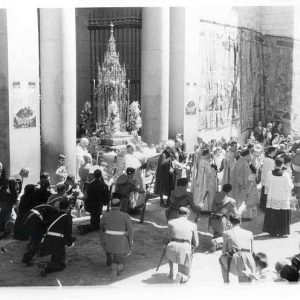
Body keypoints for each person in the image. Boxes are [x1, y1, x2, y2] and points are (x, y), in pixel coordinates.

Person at [100, 194, 133, 280]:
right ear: (120, 206)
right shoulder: (125, 216)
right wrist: (130, 243)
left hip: (107, 243)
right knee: (121, 262)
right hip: (120, 243)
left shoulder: (105, 216)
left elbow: (101, 231)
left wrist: (102, 243)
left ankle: (109, 259)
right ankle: (117, 267)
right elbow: (130, 231)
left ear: (111, 206)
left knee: (108, 240)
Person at [39, 199, 75, 276]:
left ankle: (49, 265)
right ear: (67, 208)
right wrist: (69, 243)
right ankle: (46, 266)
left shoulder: (54, 215)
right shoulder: (68, 217)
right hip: (57, 240)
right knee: (61, 265)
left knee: (56, 257)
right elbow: (68, 232)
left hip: (48, 238)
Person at [166, 206, 199, 283]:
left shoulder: (170, 222)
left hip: (172, 249)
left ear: (178, 214)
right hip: (185, 249)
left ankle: (171, 272)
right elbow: (196, 244)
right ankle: (182, 276)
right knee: (186, 276)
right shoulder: (193, 225)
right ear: (188, 214)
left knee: (169, 245)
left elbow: (168, 238)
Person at [219, 214, 256, 283]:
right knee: (245, 282)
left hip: (237, 260)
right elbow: (252, 251)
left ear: (229, 222)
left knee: (221, 258)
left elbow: (223, 252)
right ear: (240, 222)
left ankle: (226, 282)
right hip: (249, 260)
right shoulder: (250, 233)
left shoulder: (226, 233)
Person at [263, 158, 294, 237]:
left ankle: (272, 231)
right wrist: (292, 182)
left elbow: (267, 185)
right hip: (282, 198)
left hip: (272, 197)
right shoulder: (285, 174)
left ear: (275, 164)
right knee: (281, 214)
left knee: (273, 213)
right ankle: (281, 231)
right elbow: (289, 187)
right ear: (282, 164)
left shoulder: (270, 173)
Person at [77, 169, 110, 234]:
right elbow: (106, 197)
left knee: (93, 218)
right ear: (101, 176)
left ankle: (86, 226)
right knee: (96, 226)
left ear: (94, 176)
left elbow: (86, 194)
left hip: (90, 204)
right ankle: (83, 227)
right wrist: (106, 203)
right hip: (97, 205)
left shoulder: (89, 185)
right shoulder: (104, 186)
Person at [231, 149, 259, 220]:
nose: (250, 156)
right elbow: (247, 176)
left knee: (238, 199)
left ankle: (235, 214)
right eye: (250, 155)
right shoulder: (244, 163)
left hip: (237, 184)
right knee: (245, 200)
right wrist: (253, 176)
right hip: (245, 185)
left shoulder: (239, 161)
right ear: (246, 155)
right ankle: (244, 216)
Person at [154, 140, 175, 207]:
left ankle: (168, 200)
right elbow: (162, 163)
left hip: (169, 173)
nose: (172, 150)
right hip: (163, 174)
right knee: (162, 188)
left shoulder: (169, 154)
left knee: (169, 188)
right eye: (171, 149)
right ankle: (161, 201)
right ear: (168, 148)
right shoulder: (163, 154)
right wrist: (169, 159)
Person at [260, 146, 277, 210]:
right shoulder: (271, 161)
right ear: (272, 152)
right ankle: (264, 208)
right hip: (268, 179)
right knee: (266, 194)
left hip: (264, 178)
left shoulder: (266, 159)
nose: (275, 153)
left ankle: (261, 206)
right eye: (275, 151)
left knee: (263, 193)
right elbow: (272, 171)